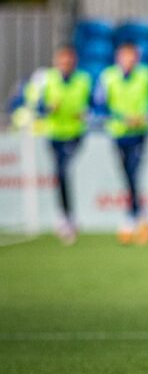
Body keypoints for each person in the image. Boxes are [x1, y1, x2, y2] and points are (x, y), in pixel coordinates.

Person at [25, 46, 93, 244]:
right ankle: (66, 216)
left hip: (74, 134)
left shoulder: (83, 80)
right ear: (56, 61)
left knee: (62, 171)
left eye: (69, 60)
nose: (66, 64)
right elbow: (31, 104)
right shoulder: (45, 79)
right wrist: (47, 108)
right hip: (53, 134)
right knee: (59, 173)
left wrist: (85, 113)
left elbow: (94, 105)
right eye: (62, 60)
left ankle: (67, 216)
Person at [94, 43, 148, 245]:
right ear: (118, 58)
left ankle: (132, 218)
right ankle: (140, 216)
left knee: (134, 172)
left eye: (131, 57)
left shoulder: (146, 75)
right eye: (124, 57)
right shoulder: (108, 76)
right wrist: (122, 117)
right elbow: (99, 105)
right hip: (118, 132)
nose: (128, 61)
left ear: (136, 58)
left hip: (140, 133)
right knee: (127, 175)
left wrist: (144, 116)